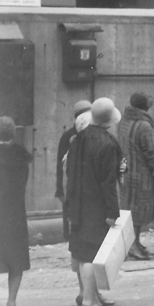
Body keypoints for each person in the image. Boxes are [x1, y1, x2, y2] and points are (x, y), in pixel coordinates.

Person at [65, 98, 123, 306]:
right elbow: (108, 182)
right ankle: (90, 301)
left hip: (77, 203)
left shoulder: (77, 138)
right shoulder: (107, 143)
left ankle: (88, 296)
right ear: (109, 119)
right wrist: (112, 212)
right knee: (92, 254)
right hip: (96, 206)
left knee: (81, 254)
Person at [0, 117, 32, 306]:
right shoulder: (21, 159)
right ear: (13, 135)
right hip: (14, 214)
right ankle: (11, 303)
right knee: (15, 261)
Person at [117, 92, 154, 261]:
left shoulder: (123, 121)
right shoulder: (144, 126)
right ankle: (133, 246)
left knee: (128, 209)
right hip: (140, 174)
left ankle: (133, 242)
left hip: (124, 172)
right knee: (138, 211)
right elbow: (150, 152)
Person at [56, 101, 93, 240]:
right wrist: (59, 188)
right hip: (70, 181)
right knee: (70, 211)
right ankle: (70, 238)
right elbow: (60, 164)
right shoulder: (68, 136)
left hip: (84, 182)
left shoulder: (92, 134)